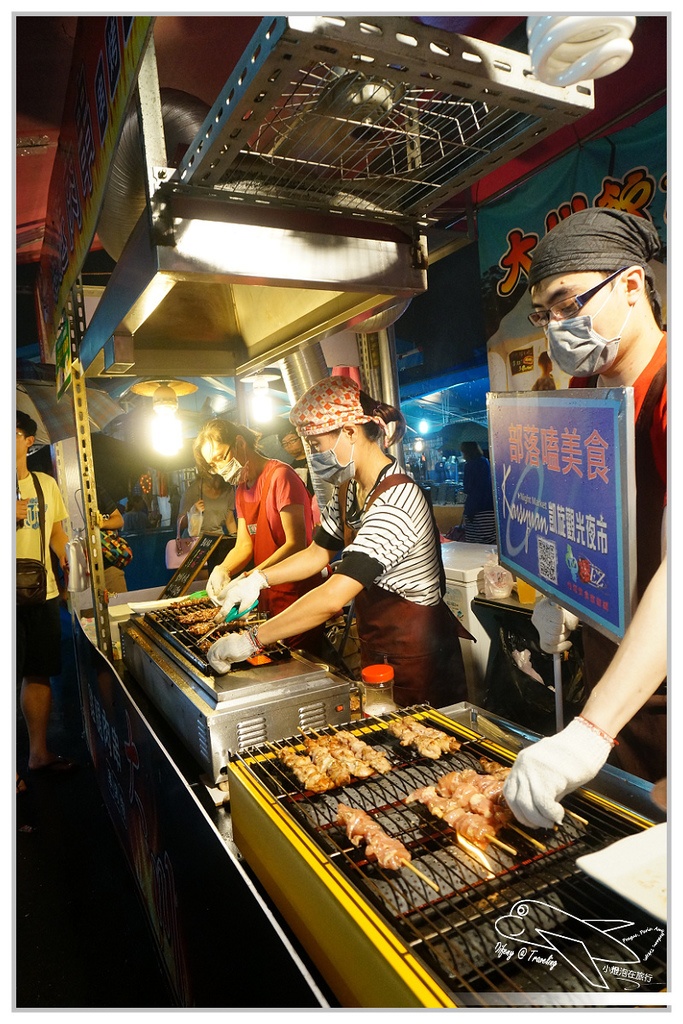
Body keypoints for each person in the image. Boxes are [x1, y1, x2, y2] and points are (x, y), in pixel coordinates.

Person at [503, 207, 666, 820]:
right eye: (545, 313)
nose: (556, 327)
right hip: (618, 682)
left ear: (630, 285)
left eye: (570, 303)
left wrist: (590, 731)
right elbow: (582, 514)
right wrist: (563, 596)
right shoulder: (589, 394)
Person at [206, 375, 471, 709]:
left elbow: (334, 596)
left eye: (316, 445)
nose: (313, 455)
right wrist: (258, 580)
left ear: (349, 432)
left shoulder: (398, 499)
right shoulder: (350, 492)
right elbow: (317, 552)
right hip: (379, 649)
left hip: (418, 659)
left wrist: (252, 640)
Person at [504, 557, 667, 828]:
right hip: (609, 684)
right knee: (617, 820)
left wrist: (589, 733)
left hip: (662, 709)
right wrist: (569, 601)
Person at [197, 418, 325, 651]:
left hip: (296, 595)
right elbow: (244, 544)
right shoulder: (241, 489)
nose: (219, 469)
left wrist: (251, 577)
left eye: (221, 458)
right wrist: (224, 569)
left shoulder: (281, 477)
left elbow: (296, 544)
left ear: (239, 443)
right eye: (212, 465)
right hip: (267, 596)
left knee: (304, 661)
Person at [16, 412, 76, 774]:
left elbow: (56, 535)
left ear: (28, 441)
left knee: (38, 673)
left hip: (43, 593)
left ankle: (38, 753)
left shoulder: (46, 485)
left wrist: (77, 566)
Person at [177, 468, 237, 539]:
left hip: (217, 539)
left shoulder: (228, 490)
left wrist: (235, 540)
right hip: (194, 540)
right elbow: (179, 524)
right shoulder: (192, 491)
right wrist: (193, 512)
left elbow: (230, 521)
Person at [459, 441, 496, 544]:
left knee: (474, 542)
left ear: (467, 452)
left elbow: (468, 487)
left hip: (475, 509)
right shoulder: (486, 462)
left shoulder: (470, 465)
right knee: (490, 539)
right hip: (489, 507)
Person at [97, 484, 128, 594]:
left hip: (108, 564)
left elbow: (119, 520)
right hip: (80, 573)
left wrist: (101, 524)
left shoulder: (97, 490)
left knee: (120, 607)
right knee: (87, 611)